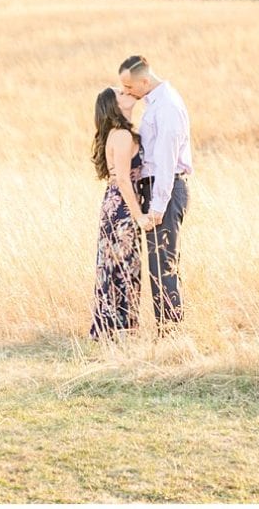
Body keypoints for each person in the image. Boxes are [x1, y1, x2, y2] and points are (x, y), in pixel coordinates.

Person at [118, 54, 192, 328]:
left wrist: (158, 206)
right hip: (159, 189)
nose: (126, 92)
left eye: (129, 87)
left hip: (167, 190)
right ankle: (166, 328)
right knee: (158, 263)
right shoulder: (156, 104)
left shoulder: (167, 107)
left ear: (145, 81)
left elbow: (165, 161)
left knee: (164, 264)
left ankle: (171, 331)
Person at [89, 86, 151, 339]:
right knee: (125, 267)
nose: (128, 94)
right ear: (116, 106)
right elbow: (124, 180)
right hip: (123, 208)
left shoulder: (118, 133)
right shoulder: (123, 136)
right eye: (121, 94)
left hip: (114, 204)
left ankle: (113, 329)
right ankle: (122, 331)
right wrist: (139, 216)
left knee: (115, 265)